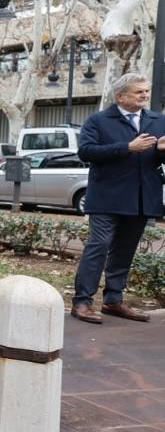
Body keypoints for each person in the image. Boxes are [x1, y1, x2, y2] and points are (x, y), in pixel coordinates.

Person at [71, 72, 164, 324]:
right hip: (106, 198)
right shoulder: (99, 121)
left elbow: (158, 159)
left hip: (142, 198)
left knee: (124, 251)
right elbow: (86, 152)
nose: (145, 95)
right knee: (98, 246)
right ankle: (82, 302)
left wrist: (162, 151)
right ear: (121, 96)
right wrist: (127, 147)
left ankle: (113, 301)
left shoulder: (158, 120)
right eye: (139, 92)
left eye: (146, 90)